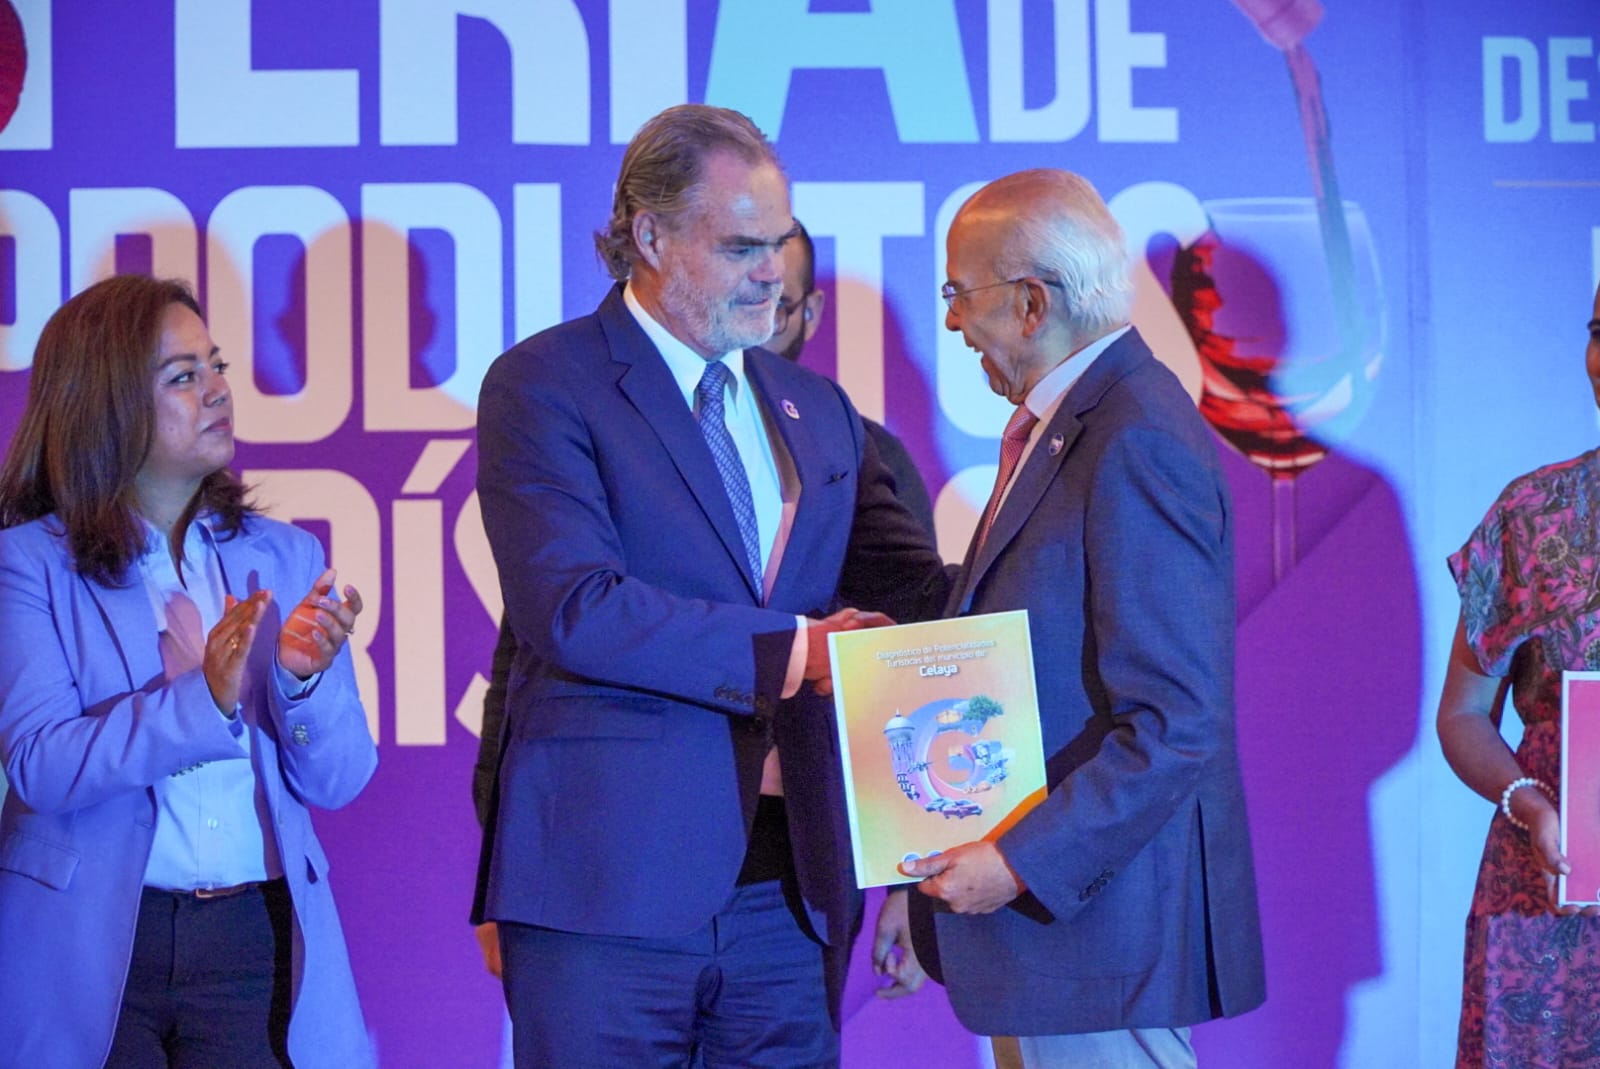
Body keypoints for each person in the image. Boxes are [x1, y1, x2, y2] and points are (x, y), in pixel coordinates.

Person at [472, 103, 949, 1068]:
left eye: (778, 243)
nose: (772, 271)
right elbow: (573, 607)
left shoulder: (818, 410)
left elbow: (915, 597)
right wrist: (797, 650)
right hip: (606, 891)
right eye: (740, 247)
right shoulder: (544, 383)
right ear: (649, 237)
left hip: (790, 897)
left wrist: (1056, 539)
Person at [891, 169, 1266, 1068]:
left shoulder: (1134, 434)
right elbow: (1042, 612)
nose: (952, 321)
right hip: (1063, 945)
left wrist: (1020, 862)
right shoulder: (1079, 423)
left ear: (1031, 303)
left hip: (1101, 941)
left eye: (958, 293)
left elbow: (1176, 722)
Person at [0, 275, 377, 1069]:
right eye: (183, 375)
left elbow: (340, 779)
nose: (217, 390)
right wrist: (200, 701)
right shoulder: (29, 563)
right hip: (94, 946)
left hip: (252, 941)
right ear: (107, 405)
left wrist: (302, 683)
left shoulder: (284, 556)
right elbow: (39, 764)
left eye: (217, 366)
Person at [1436, 280, 1600, 1067]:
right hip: (1544, 904)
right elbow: (1463, 714)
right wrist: (1529, 804)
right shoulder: (1533, 513)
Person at [767, 220, 937, 538]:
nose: (751, 331)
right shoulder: (673, 439)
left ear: (810, 313)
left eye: (776, 308)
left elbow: (909, 571)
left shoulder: (873, 456)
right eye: (739, 304)